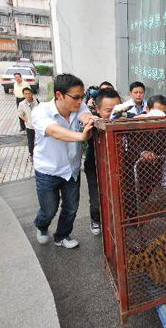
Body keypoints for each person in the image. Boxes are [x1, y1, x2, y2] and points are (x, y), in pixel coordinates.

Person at [32, 73, 97, 249]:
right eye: (75, 97)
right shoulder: (41, 111)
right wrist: (81, 136)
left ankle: (62, 235)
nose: (80, 101)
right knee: (49, 209)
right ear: (59, 95)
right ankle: (41, 225)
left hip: (72, 170)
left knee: (71, 208)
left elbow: (85, 115)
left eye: (82, 97)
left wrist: (89, 119)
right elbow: (54, 131)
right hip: (48, 170)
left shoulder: (79, 106)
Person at [84, 88, 122, 235]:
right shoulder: (93, 122)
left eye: (117, 110)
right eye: (108, 110)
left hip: (118, 166)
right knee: (97, 197)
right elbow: (83, 132)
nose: (113, 114)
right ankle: (95, 219)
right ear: (97, 109)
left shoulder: (123, 121)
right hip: (95, 167)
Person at [17, 87, 40, 159]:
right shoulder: (21, 104)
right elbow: (20, 114)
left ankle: (40, 154)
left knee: (40, 140)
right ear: (23, 95)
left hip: (38, 125)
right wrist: (27, 120)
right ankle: (32, 154)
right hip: (29, 126)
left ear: (32, 93)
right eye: (25, 94)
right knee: (30, 141)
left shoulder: (36, 101)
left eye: (29, 93)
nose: (27, 95)